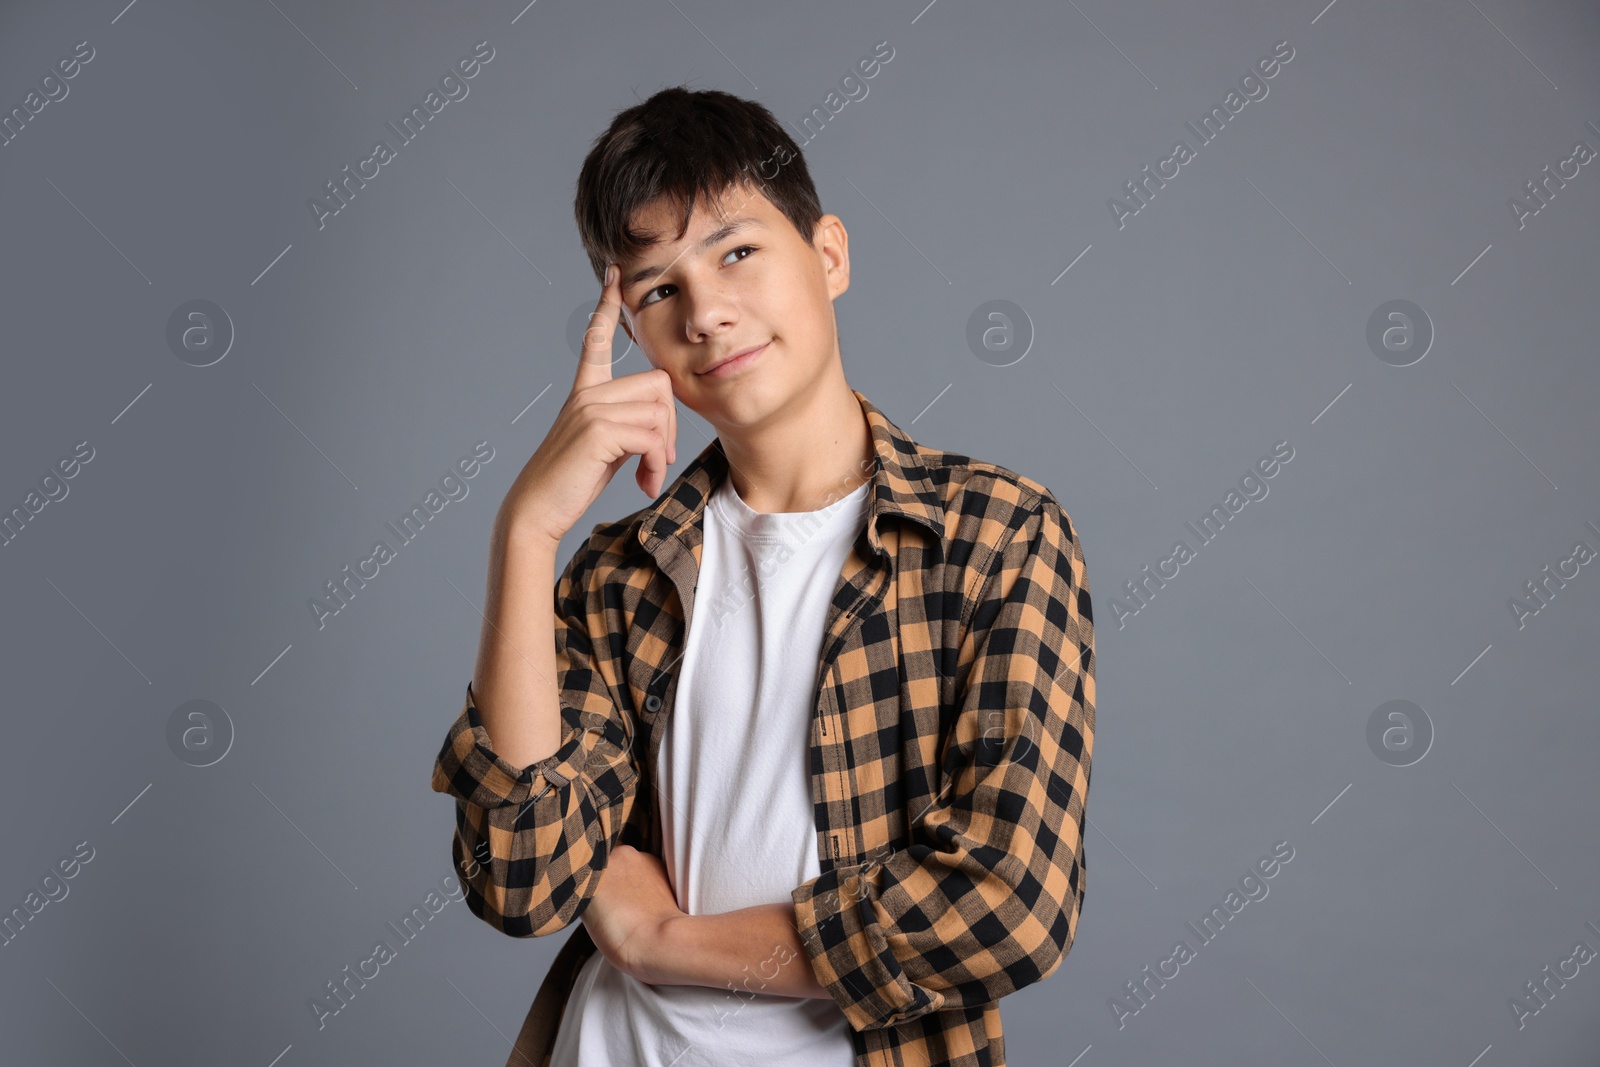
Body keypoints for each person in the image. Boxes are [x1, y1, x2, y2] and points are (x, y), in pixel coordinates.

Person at [429, 86, 1096, 1067]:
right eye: (656, 289)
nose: (705, 312)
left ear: (828, 254)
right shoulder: (620, 573)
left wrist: (663, 939)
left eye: (736, 251)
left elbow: (1005, 903)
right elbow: (524, 880)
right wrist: (527, 531)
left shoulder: (993, 537)